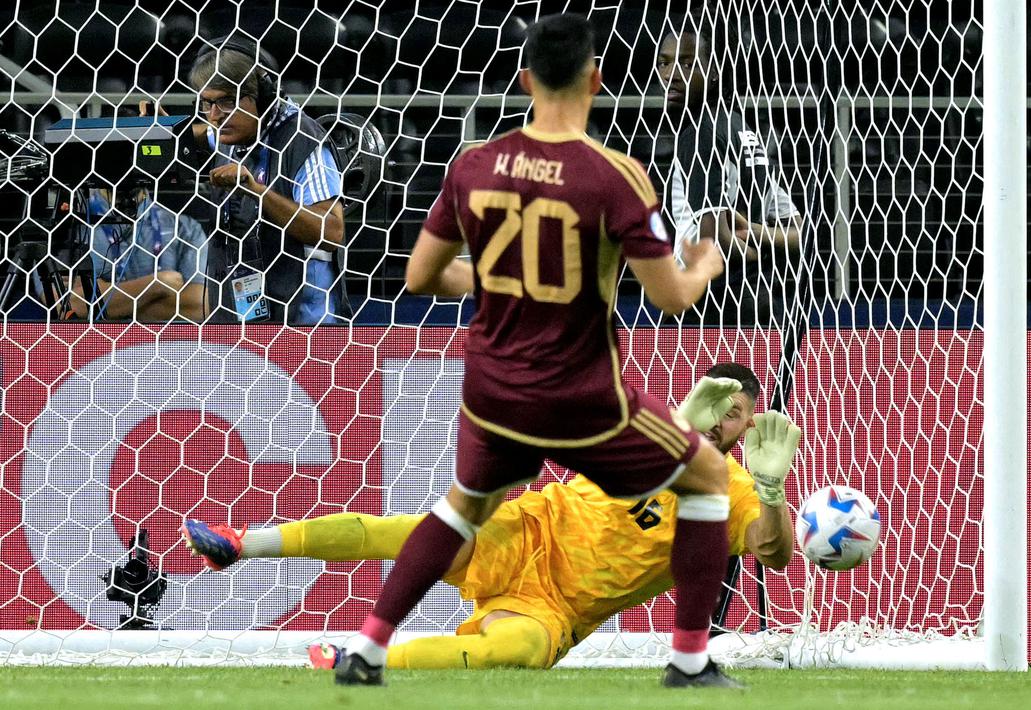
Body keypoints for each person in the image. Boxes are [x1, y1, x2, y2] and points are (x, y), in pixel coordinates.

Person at [326, 13, 737, 689]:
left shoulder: (474, 166)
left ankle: (369, 649)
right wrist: (705, 263)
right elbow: (669, 299)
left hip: (493, 395)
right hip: (584, 401)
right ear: (595, 79)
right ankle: (689, 661)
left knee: (461, 507)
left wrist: (491, 277)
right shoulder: (617, 176)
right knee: (708, 481)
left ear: (524, 79)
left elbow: (420, 278)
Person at [181, 365, 802, 671]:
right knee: (410, 531)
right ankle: (244, 542)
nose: (724, 417)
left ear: (751, 424)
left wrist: (772, 489)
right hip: (525, 530)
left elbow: (771, 553)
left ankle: (360, 662)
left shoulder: (739, 489)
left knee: (522, 650)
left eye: (738, 410)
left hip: (561, 606)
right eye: (716, 400)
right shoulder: (642, 427)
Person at [188, 36, 350, 325]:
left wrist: (256, 190)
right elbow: (202, 134)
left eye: (226, 101)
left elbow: (332, 232)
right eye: (206, 103)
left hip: (304, 328)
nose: (214, 116)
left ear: (264, 95)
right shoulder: (230, 131)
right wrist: (163, 132)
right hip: (244, 321)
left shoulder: (303, 141)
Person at [653, 24, 804, 325]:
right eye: (664, 62)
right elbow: (800, 232)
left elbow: (712, 243)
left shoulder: (700, 134)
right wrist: (756, 234)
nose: (671, 74)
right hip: (757, 297)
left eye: (686, 62)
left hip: (709, 303)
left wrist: (746, 247)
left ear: (714, 71)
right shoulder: (742, 129)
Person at [69, 188, 210, 322]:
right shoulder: (74, 225)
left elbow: (199, 307)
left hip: (161, 344)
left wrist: (112, 300)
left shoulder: (184, 229)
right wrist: (158, 284)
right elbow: (63, 301)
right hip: (96, 342)